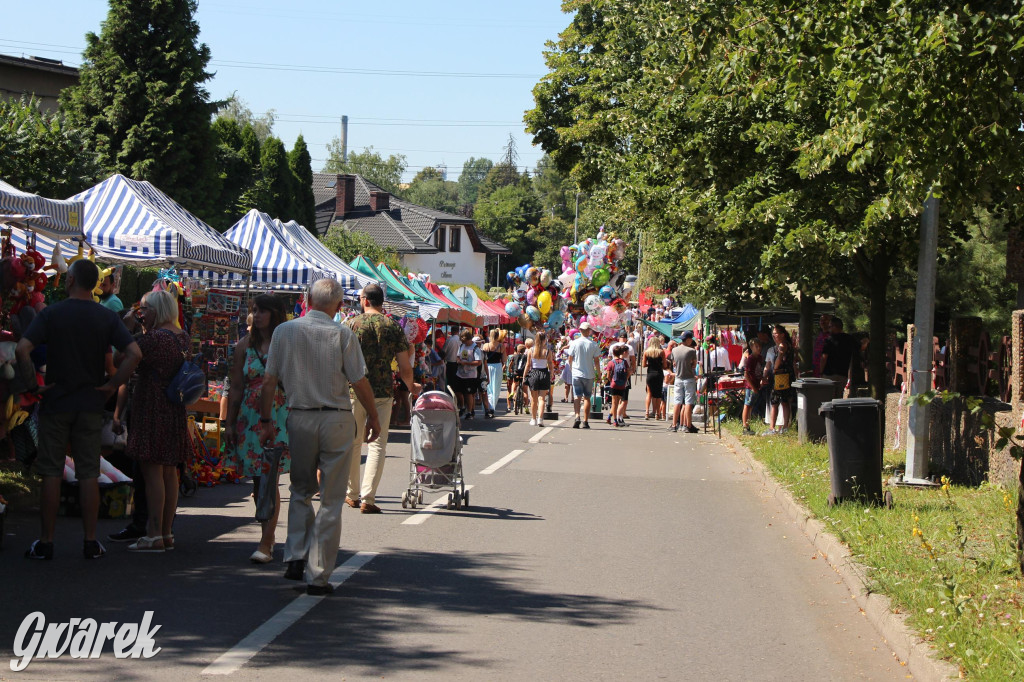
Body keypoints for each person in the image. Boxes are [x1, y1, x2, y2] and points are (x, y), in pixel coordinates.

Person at [259, 278, 380, 596]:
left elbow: (269, 380)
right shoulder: (342, 333)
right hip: (336, 418)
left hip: (299, 417)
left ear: (308, 300)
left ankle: (295, 557)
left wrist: (266, 420)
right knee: (331, 498)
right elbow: (359, 380)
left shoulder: (284, 331)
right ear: (340, 306)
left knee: (300, 489)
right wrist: (374, 416)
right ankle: (318, 574)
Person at [18, 260, 141, 560]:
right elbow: (134, 353)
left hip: (56, 401)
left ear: (70, 279)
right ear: (95, 284)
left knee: (51, 470)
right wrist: (112, 385)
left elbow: (22, 348)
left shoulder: (51, 313)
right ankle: (90, 542)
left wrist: (32, 386)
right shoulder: (106, 316)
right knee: (88, 472)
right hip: (90, 402)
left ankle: (46, 542)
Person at [117, 289, 190, 553]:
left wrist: (128, 327)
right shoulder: (183, 337)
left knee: (151, 471)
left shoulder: (154, 338)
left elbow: (121, 356)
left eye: (144, 309)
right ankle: (166, 532)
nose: (141, 314)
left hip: (152, 406)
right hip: (174, 407)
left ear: (157, 309)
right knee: (170, 470)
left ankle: (153, 533)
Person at [224, 294, 291, 562]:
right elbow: (236, 387)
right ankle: (268, 533)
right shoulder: (243, 346)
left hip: (277, 415)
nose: (258, 315)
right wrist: (228, 423)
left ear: (275, 314)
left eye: (263, 311)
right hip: (249, 417)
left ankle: (266, 541)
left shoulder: (285, 345)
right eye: (255, 310)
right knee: (257, 481)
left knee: (269, 477)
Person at [344, 283, 412, 514]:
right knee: (377, 445)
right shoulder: (392, 325)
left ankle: (351, 494)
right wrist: (412, 386)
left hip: (354, 390)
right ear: (381, 301)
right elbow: (404, 366)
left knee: (352, 443)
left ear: (365, 300)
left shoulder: (351, 324)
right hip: (382, 391)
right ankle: (368, 498)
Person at [763, 325, 796, 435]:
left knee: (777, 402)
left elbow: (778, 360)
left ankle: (775, 428)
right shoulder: (774, 349)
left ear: (782, 334)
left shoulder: (782, 346)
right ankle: (782, 427)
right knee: (781, 402)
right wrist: (764, 375)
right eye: (773, 333)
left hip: (781, 376)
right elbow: (767, 365)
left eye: (776, 333)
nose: (774, 335)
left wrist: (775, 369)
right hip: (783, 377)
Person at [567, 322, 601, 429]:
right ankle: (585, 421)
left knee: (577, 397)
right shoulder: (593, 344)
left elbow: (570, 358)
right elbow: (596, 361)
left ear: (580, 330)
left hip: (577, 373)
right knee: (587, 397)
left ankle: (577, 416)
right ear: (589, 331)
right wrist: (598, 374)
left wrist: (572, 369)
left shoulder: (574, 343)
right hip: (589, 374)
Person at [820, 316, 856, 399]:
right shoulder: (849, 339)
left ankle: (829, 412)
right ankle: (837, 412)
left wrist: (821, 372)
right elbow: (860, 347)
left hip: (829, 374)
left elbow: (824, 357)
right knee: (839, 397)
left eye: (830, 327)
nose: (829, 329)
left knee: (828, 397)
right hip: (842, 374)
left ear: (835, 327)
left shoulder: (829, 340)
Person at [670, 331, 699, 433]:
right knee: (688, 402)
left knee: (677, 402)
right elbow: (694, 365)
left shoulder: (674, 350)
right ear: (688, 339)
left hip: (678, 378)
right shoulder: (691, 351)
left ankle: (674, 425)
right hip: (689, 378)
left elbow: (674, 363)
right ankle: (688, 425)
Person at [525, 330, 554, 427]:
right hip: (544, 373)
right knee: (542, 398)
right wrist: (552, 374)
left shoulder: (531, 350)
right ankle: (540, 419)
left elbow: (528, 365)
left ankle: (533, 419)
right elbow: (550, 364)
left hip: (533, 373)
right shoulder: (547, 351)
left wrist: (525, 375)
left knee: (533, 399)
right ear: (544, 340)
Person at [455, 329, 482, 419]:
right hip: (460, 373)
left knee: (468, 393)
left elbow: (478, 362)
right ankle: (462, 407)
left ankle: (469, 411)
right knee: (458, 392)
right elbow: (458, 356)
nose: (464, 343)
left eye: (465, 341)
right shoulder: (462, 345)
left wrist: (466, 363)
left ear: (469, 339)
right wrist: (459, 360)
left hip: (470, 375)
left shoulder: (475, 348)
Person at [739, 338, 764, 435]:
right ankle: (745, 426)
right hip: (751, 386)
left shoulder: (760, 358)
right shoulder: (750, 359)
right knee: (747, 405)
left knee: (751, 406)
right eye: (756, 347)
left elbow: (758, 371)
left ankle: (748, 425)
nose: (758, 348)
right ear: (752, 347)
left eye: (759, 346)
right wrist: (753, 387)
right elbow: (746, 374)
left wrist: (762, 378)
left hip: (757, 385)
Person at [481, 329, 505, 417]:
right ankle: (492, 407)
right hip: (497, 367)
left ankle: (487, 407)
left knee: (487, 388)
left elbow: (482, 358)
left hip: (487, 366)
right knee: (495, 388)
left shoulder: (486, 345)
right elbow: (504, 360)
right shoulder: (501, 346)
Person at [605, 345, 631, 427]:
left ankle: (614, 420)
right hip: (622, 385)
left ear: (613, 353)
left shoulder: (611, 363)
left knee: (614, 403)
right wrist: (625, 379)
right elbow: (629, 372)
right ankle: (610, 417)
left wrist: (611, 380)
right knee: (618, 402)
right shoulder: (624, 362)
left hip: (614, 384)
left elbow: (608, 375)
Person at [642, 335, 666, 420]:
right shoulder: (661, 352)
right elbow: (665, 365)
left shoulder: (646, 352)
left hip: (650, 373)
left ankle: (647, 412)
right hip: (659, 373)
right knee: (658, 395)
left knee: (649, 393)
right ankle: (657, 414)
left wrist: (650, 364)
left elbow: (644, 365)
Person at [507, 343, 528, 413]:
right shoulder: (526, 356)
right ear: (524, 350)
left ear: (517, 350)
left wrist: (510, 369)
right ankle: (526, 406)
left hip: (516, 372)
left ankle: (512, 392)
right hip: (523, 373)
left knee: (514, 383)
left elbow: (510, 364)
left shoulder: (514, 356)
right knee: (525, 390)